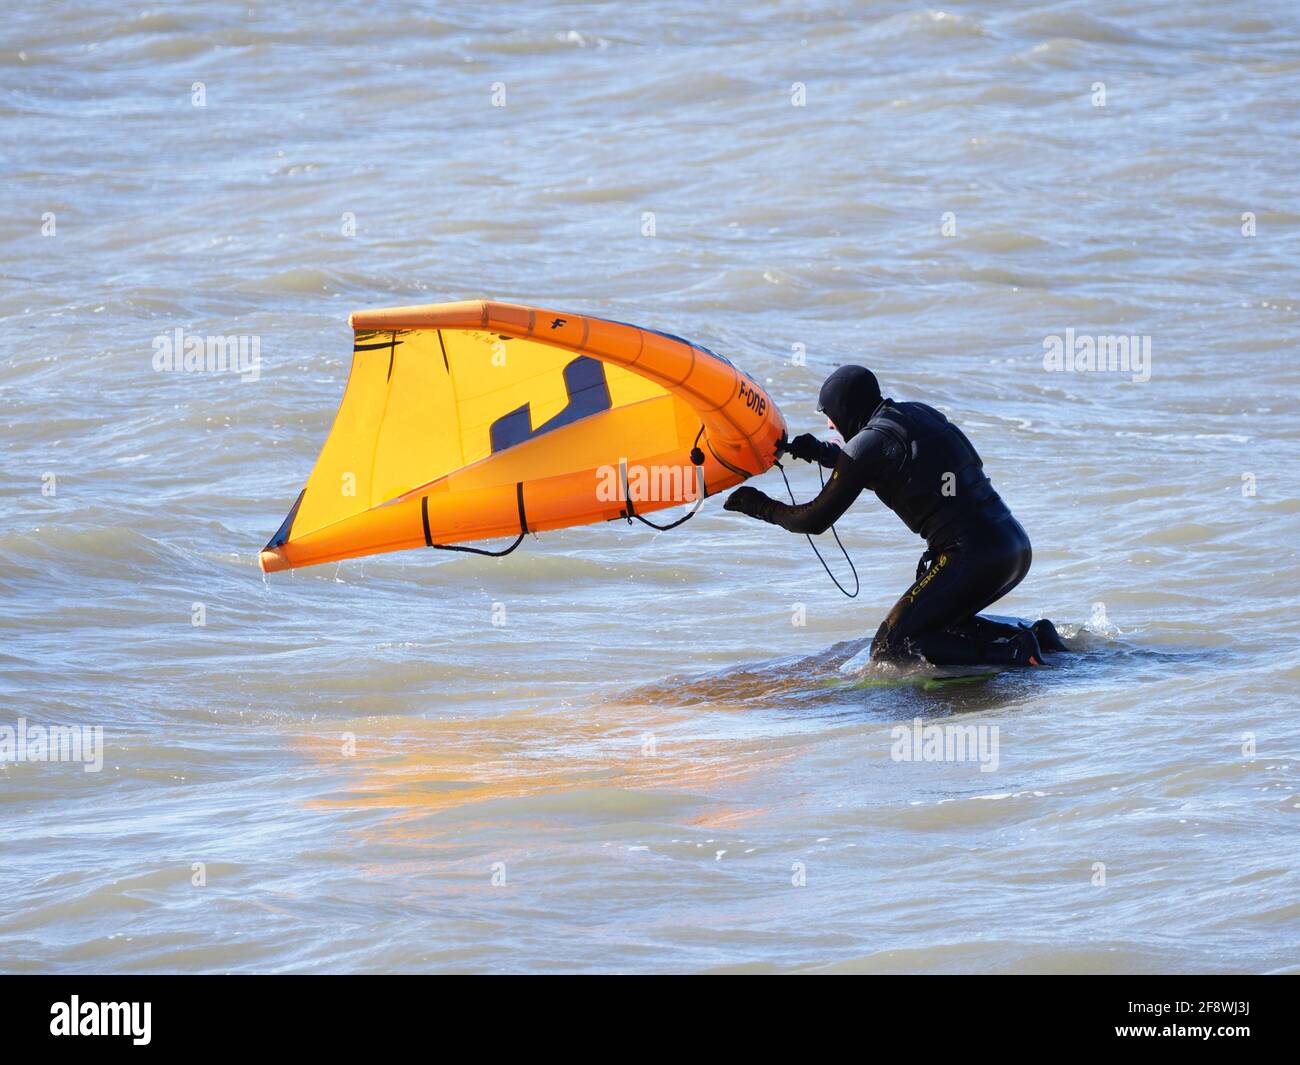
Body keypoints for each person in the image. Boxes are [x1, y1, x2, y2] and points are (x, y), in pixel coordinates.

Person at [723, 365, 1068, 667]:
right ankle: (1036, 636)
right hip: (1011, 546)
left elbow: (813, 519)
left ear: (845, 408)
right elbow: (890, 465)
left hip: (971, 557)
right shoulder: (916, 413)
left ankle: (1016, 654)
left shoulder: (869, 445)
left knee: (891, 647)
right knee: (937, 624)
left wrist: (759, 505)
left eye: (828, 413)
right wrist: (823, 454)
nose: (829, 423)